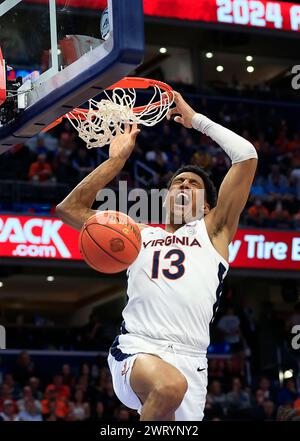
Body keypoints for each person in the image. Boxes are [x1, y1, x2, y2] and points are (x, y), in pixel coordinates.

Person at [56, 92, 258, 421]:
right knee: (168, 387)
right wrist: (115, 162)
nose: (182, 185)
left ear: (207, 207)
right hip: (138, 347)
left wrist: (196, 122)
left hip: (192, 359)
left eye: (193, 184)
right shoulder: (135, 234)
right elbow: (69, 210)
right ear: (165, 199)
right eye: (178, 182)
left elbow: (246, 156)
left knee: (173, 392)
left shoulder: (215, 231)